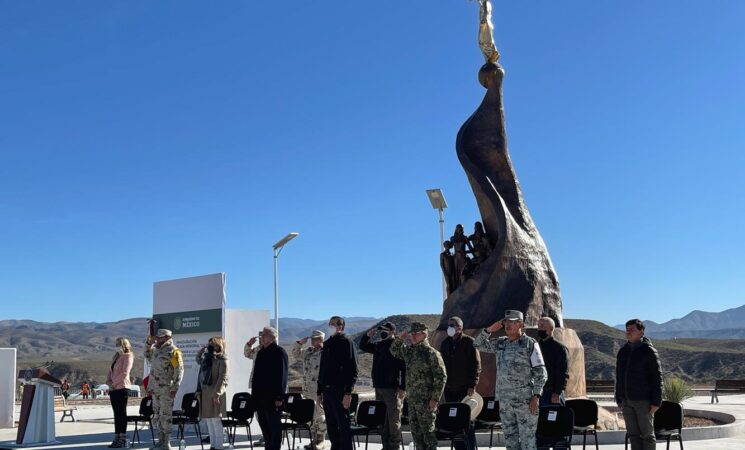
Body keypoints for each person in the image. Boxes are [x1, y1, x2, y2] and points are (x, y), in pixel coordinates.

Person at [474, 310, 546, 450]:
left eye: (512, 322)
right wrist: (488, 330)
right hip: (505, 403)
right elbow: (477, 344)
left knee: (527, 442)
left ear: (521, 324)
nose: (508, 325)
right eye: (506, 322)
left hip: (525, 402)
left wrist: (536, 396)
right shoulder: (501, 343)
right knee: (510, 442)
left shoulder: (529, 344)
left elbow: (541, 372)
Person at [389, 322, 447, 450]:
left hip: (426, 402)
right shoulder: (410, 352)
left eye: (416, 334)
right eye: (411, 334)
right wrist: (400, 339)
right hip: (413, 401)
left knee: (428, 437)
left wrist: (435, 399)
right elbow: (393, 351)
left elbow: (441, 377)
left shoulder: (431, 353)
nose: (413, 337)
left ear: (424, 334)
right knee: (417, 437)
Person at [615, 319, 663, 450]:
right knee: (633, 435)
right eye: (627, 329)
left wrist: (656, 401)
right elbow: (619, 377)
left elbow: (657, 377)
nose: (629, 332)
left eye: (632, 329)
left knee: (647, 436)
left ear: (641, 332)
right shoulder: (623, 352)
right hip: (626, 401)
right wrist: (618, 398)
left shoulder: (649, 351)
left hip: (644, 401)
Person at [359, 322, 406, 450]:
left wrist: (403, 387)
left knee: (393, 420)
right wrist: (367, 336)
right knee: (382, 419)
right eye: (381, 331)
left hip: (392, 389)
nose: (382, 333)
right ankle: (385, 446)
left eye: (385, 330)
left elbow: (404, 368)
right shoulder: (379, 345)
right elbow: (363, 346)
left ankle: (394, 446)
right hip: (379, 387)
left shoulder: (398, 346)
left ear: (392, 332)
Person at [440, 316, 481, 450]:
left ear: (460, 327)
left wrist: (472, 385)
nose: (450, 327)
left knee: (467, 422)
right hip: (449, 389)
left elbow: (476, 366)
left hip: (465, 389)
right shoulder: (445, 343)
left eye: (453, 325)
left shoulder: (469, 342)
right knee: (454, 421)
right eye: (449, 325)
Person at [317, 316, 358, 450]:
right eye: (329, 324)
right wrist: (319, 391)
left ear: (341, 327)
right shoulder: (327, 344)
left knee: (343, 427)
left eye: (333, 324)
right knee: (331, 427)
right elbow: (322, 369)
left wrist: (348, 393)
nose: (330, 326)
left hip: (340, 391)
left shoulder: (346, 342)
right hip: (327, 391)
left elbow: (353, 370)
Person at [144, 328, 184, 450]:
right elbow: (146, 355)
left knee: (166, 416)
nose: (157, 339)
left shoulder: (173, 351)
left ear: (167, 337)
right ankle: (160, 442)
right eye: (157, 337)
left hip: (167, 389)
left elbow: (179, 370)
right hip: (155, 389)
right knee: (157, 415)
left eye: (160, 337)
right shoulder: (156, 350)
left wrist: (175, 387)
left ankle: (166, 443)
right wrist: (148, 344)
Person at [252, 327, 288, 450]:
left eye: (265, 335)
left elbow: (282, 376)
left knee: (274, 430)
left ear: (272, 337)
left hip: (273, 398)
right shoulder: (261, 352)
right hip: (260, 398)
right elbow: (256, 376)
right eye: (262, 335)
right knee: (265, 430)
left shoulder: (279, 352)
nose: (262, 337)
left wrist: (279, 397)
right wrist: (254, 398)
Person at [292, 330, 327, 450]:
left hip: (319, 390)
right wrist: (299, 343)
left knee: (320, 416)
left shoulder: (326, 352)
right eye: (312, 338)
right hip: (307, 390)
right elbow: (296, 355)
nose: (313, 340)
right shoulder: (308, 352)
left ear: (321, 339)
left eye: (316, 338)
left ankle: (321, 440)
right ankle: (314, 440)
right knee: (310, 417)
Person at [197, 336, 229, 450]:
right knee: (208, 419)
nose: (211, 347)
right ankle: (213, 445)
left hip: (216, 392)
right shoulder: (208, 358)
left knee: (216, 420)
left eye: (213, 344)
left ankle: (219, 446)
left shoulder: (223, 359)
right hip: (206, 392)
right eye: (209, 344)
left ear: (219, 345)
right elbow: (199, 362)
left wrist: (217, 394)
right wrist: (200, 353)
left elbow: (222, 378)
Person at [106, 337, 134, 448]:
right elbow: (110, 371)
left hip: (122, 387)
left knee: (121, 414)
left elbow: (124, 372)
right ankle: (116, 437)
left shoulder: (128, 356)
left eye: (118, 343)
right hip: (113, 389)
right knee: (116, 414)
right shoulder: (116, 357)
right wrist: (108, 382)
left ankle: (122, 438)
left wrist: (114, 384)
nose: (116, 345)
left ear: (123, 344)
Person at [536, 317, 569, 407]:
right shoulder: (535, 347)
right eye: (538, 326)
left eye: (542, 326)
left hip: (551, 392)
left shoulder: (559, 348)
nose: (539, 328)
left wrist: (557, 393)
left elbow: (562, 372)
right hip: (536, 392)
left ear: (551, 329)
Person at [244, 332, 266, 447]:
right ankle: (264, 435)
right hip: (255, 384)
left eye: (263, 337)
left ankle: (269, 436)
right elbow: (247, 354)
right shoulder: (257, 349)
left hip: (267, 386)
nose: (261, 339)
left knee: (267, 413)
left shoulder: (274, 351)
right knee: (258, 412)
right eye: (260, 337)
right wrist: (249, 344)